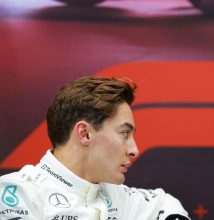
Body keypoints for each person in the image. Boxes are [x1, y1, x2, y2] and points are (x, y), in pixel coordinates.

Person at [0, 77, 190, 220]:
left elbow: (164, 202)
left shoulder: (119, 196)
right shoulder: (16, 193)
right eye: (124, 133)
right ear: (85, 133)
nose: (134, 150)